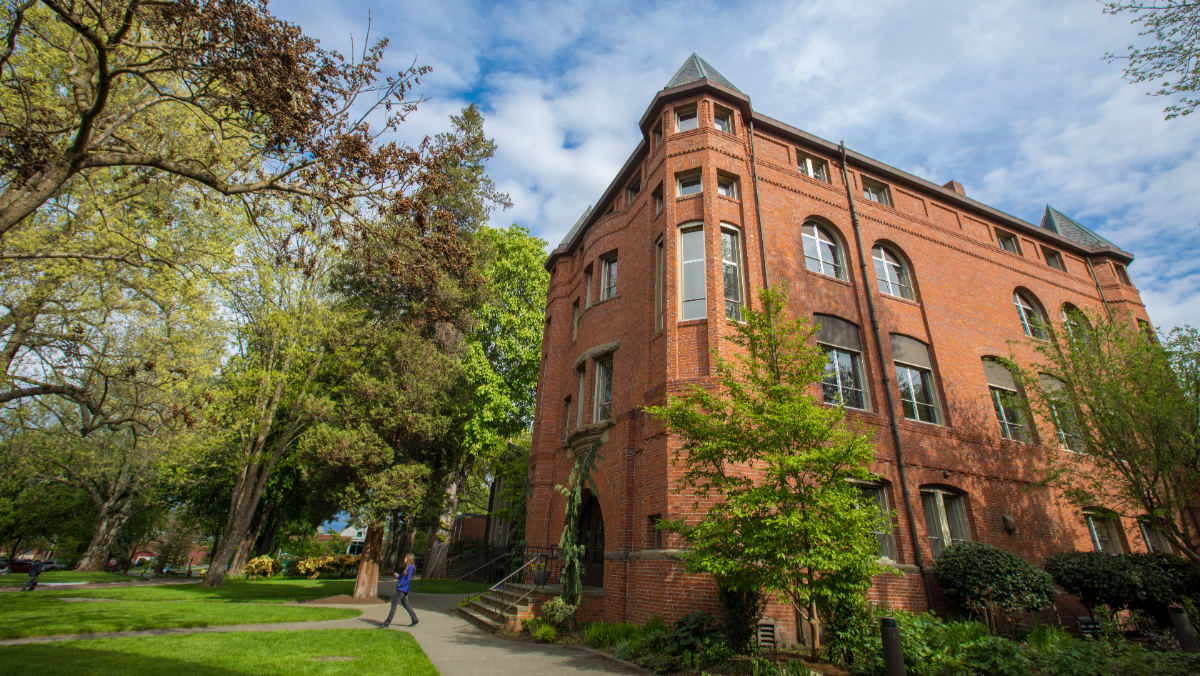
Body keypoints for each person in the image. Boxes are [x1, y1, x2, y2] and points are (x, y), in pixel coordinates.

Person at [382, 553, 418, 628]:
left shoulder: (411, 567)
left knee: (394, 605)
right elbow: (403, 578)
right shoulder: (407, 567)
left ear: (409, 559)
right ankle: (415, 619)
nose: (404, 559)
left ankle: (386, 623)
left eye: (405, 558)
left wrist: (400, 584)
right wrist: (398, 576)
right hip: (403, 588)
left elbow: (408, 579)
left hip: (402, 589)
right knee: (406, 604)